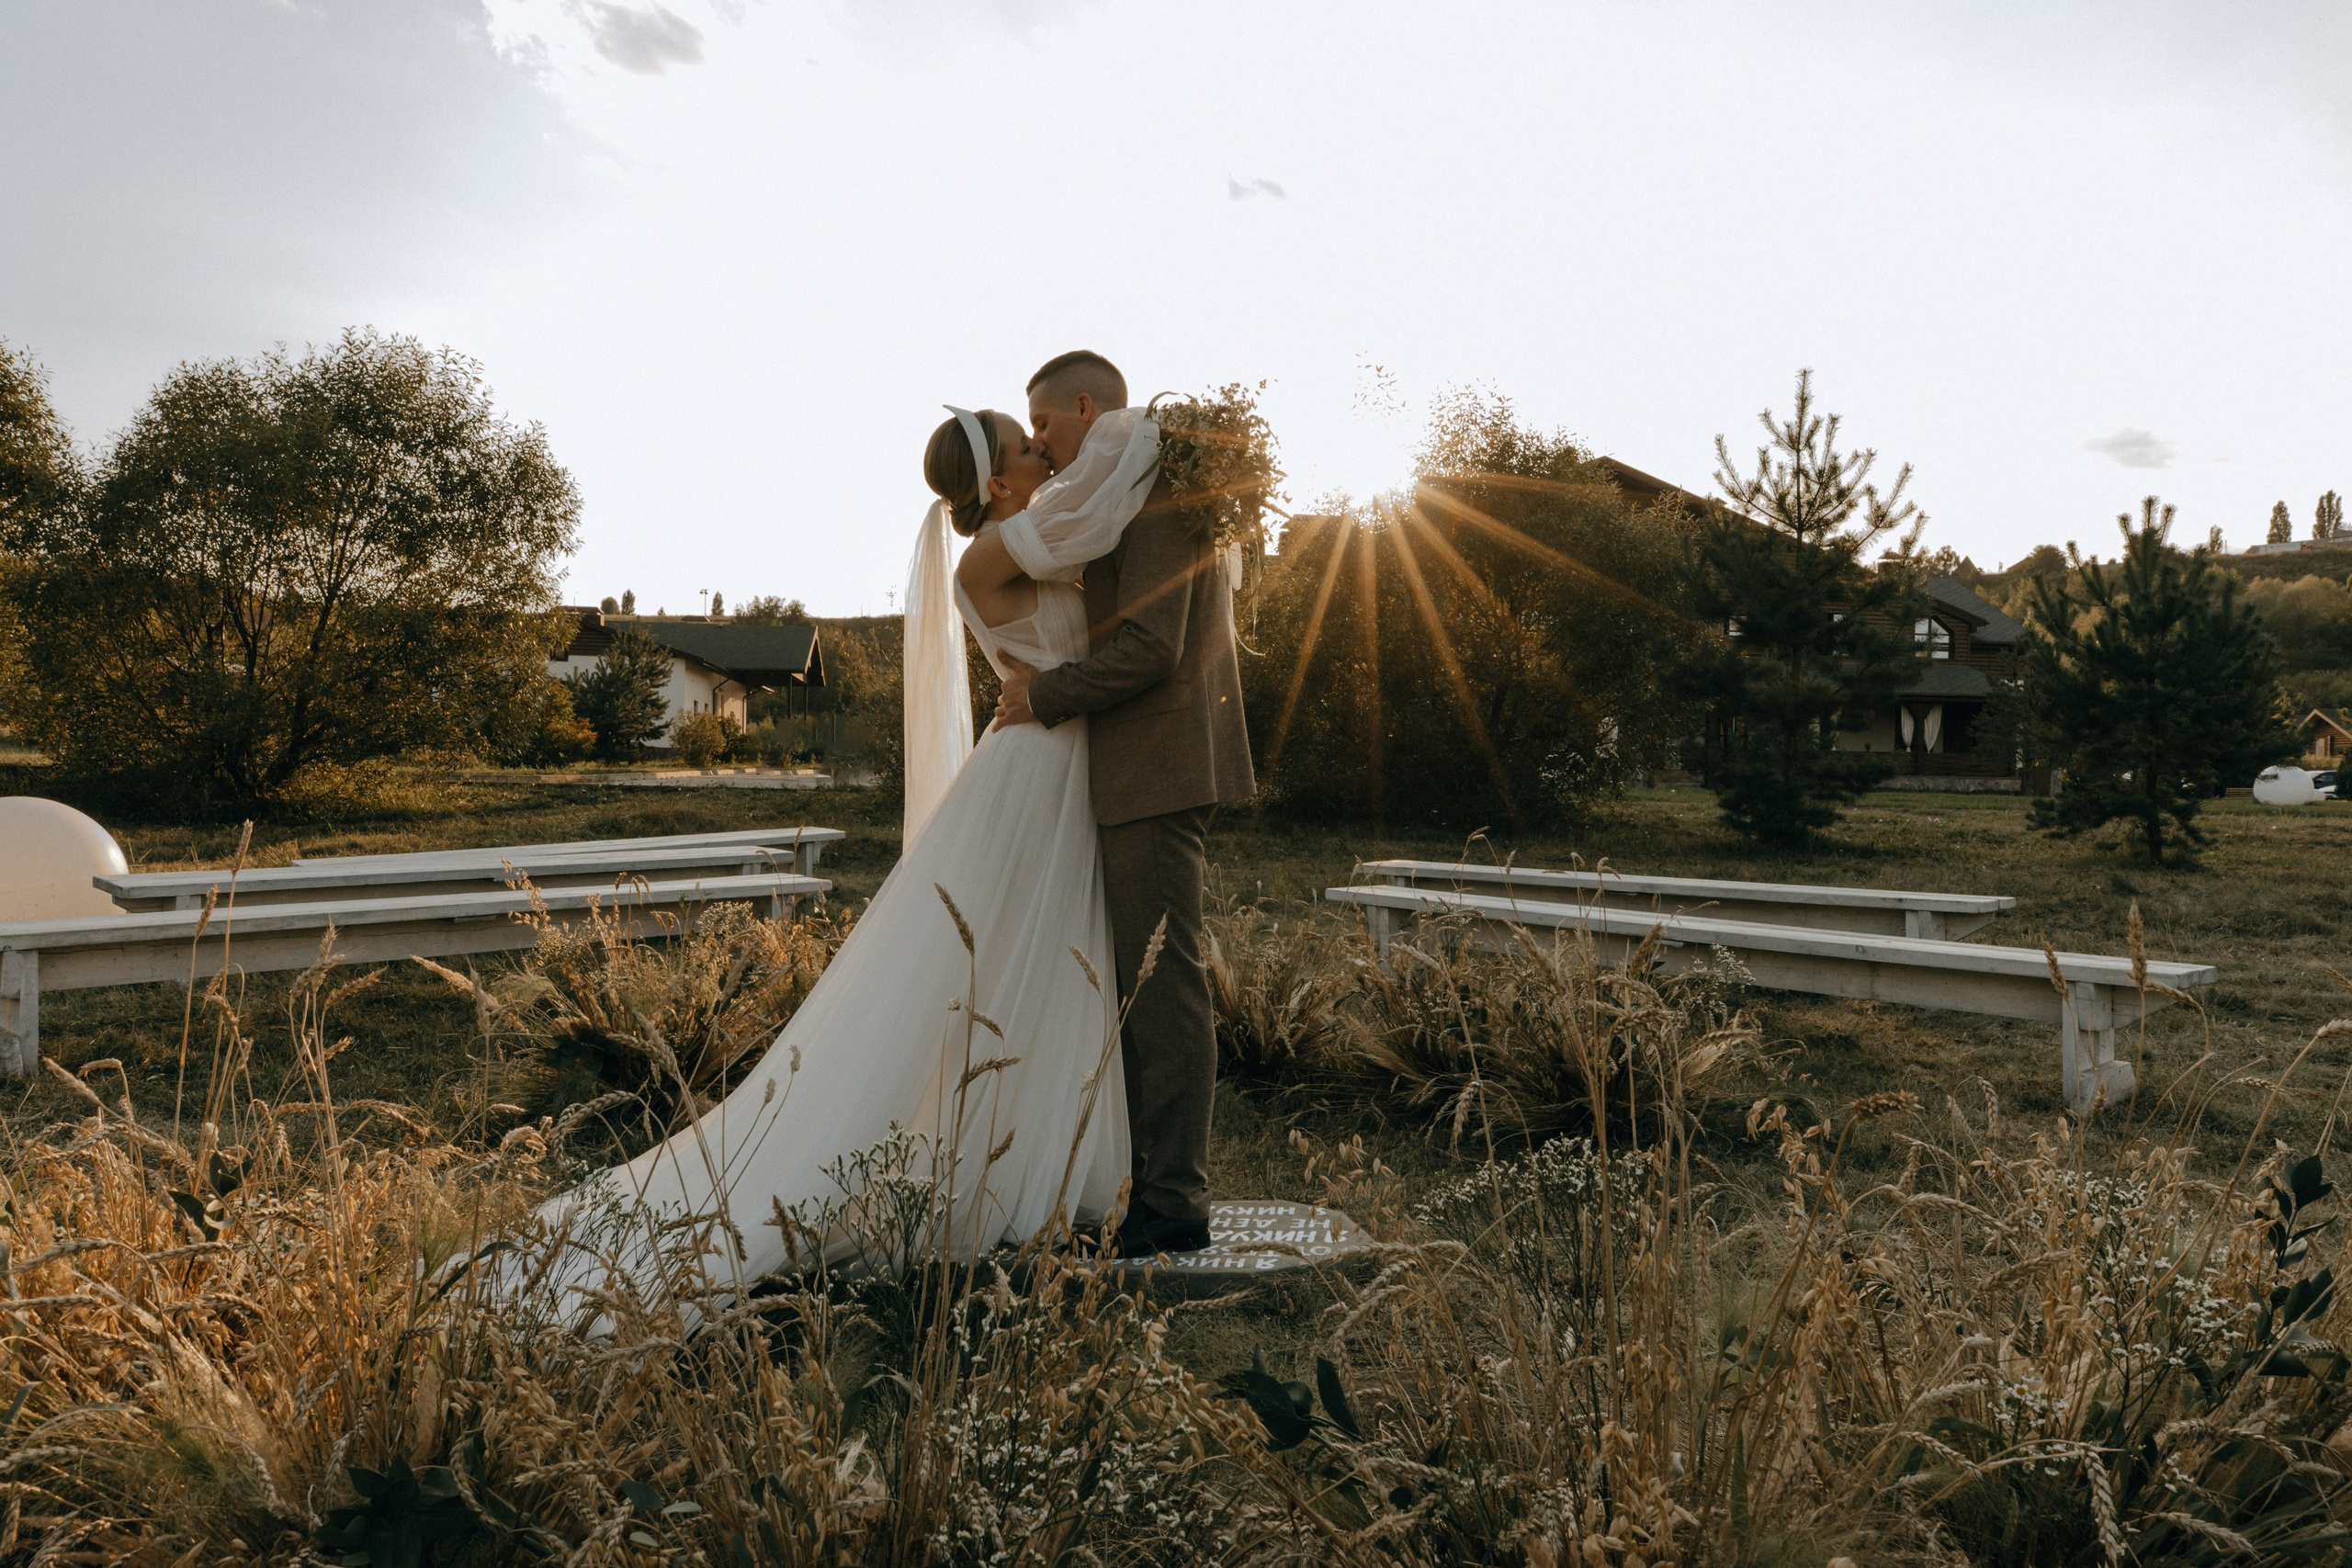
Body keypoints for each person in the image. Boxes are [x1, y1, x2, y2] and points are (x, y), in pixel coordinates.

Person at [521, 399, 1159, 1326]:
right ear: (995, 482)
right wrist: (1145, 429)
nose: (1046, 455)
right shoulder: (996, 551)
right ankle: (1004, 1176)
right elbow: (1104, 513)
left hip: (1060, 758)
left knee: (1056, 958)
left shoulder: (1028, 531)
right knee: (1014, 956)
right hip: (1036, 769)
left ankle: (1053, 1164)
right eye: (1030, 447)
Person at [988, 350, 1256, 1260]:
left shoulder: (1153, 486)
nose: (1039, 444)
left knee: (1162, 985)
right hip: (1140, 766)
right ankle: (1144, 1180)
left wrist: (1044, 694)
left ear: (1086, 404)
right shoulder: (1128, 481)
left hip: (1157, 767)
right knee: (1142, 983)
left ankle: (1175, 1203)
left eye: (1044, 424)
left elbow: (1150, 648)